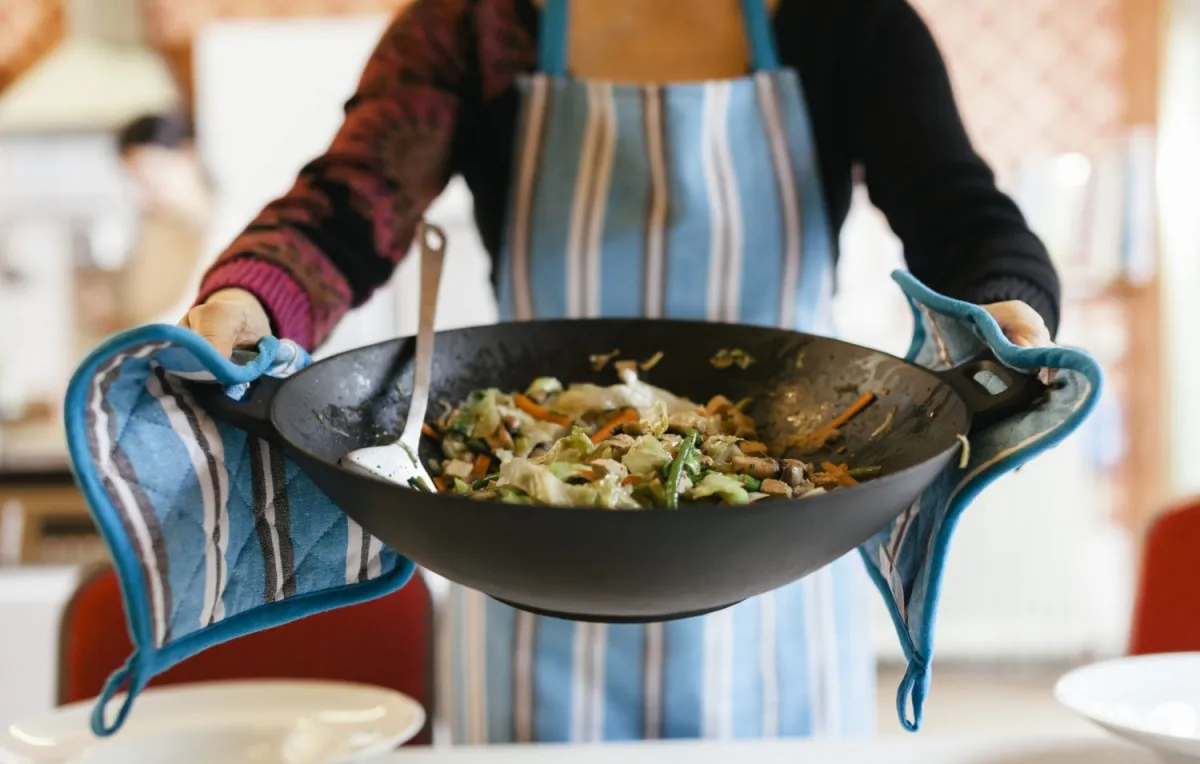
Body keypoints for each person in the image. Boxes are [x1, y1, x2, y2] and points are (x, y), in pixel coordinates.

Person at [180, 0, 1059, 743]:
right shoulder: (475, 23)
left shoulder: (846, 19)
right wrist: (247, 306)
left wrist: (1008, 308)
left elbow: (962, 217)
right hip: (522, 562)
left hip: (775, 558)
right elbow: (347, 205)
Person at [115, 112, 213, 329]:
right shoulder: (153, 233)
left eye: (155, 170)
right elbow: (139, 311)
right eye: (138, 179)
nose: (149, 191)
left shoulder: (244, 226)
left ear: (189, 154)